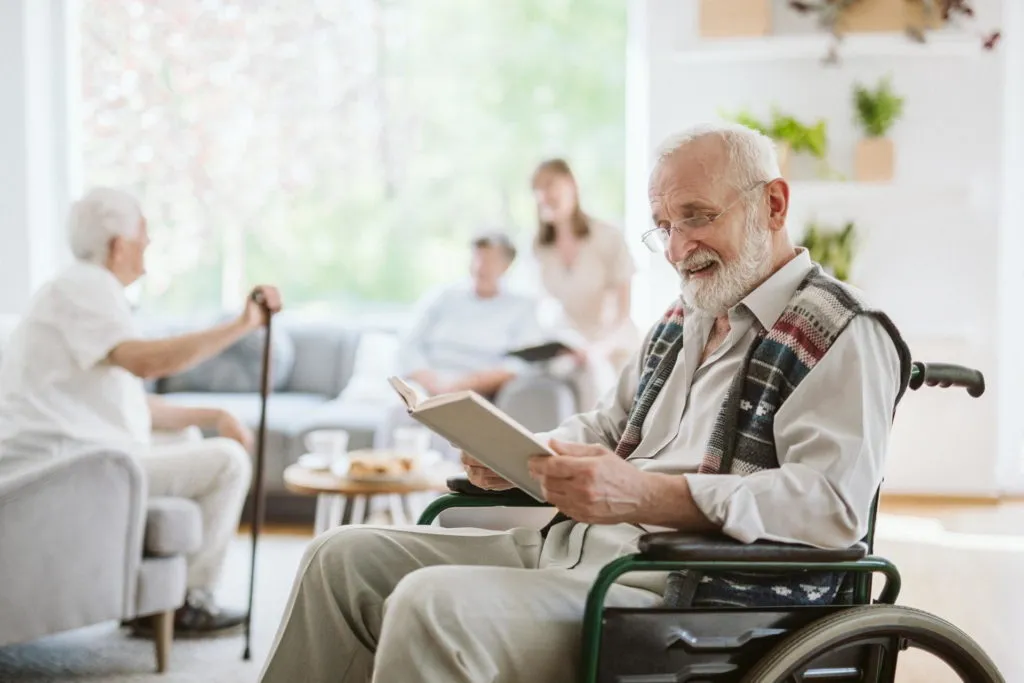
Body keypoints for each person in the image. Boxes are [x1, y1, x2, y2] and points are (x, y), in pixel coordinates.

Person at [257, 122, 911, 683]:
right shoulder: (686, 315)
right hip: (574, 551)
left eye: (697, 216)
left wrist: (651, 496)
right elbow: (607, 426)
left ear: (773, 203)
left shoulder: (844, 331)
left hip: (676, 598)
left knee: (431, 605)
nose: (679, 248)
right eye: (663, 226)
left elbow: (831, 507)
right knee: (338, 557)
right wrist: (523, 458)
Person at [0, 187, 283, 637]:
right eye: (144, 234)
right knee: (228, 462)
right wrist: (242, 326)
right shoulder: (84, 286)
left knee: (190, 441)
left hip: (81, 455)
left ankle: (159, 602)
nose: (149, 244)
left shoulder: (81, 290)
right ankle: (189, 601)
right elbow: (149, 362)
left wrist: (210, 414)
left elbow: (129, 405)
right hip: (66, 468)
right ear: (118, 245)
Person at [529, 158, 641, 408]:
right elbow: (548, 311)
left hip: (613, 347)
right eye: (537, 189)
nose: (543, 194)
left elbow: (622, 313)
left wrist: (597, 348)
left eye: (550, 184)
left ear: (571, 185)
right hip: (571, 350)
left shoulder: (607, 237)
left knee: (599, 383)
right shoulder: (541, 249)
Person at [396, 231, 545, 399]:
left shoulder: (521, 307)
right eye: (477, 258)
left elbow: (523, 362)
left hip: (480, 390)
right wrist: (430, 381)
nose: (480, 267)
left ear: (506, 266)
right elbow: (409, 344)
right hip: (429, 383)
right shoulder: (443, 296)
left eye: (489, 261)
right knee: (399, 408)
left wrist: (468, 384)